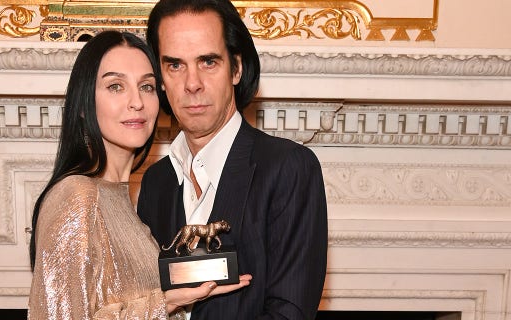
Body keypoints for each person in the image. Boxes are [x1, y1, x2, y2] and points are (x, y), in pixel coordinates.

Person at [27, 30, 251, 320]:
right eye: (116, 86)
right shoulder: (78, 198)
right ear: (83, 105)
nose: (137, 102)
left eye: (146, 86)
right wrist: (164, 305)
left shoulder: (119, 200)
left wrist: (171, 302)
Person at [137, 0, 328, 319]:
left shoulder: (289, 168)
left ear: (236, 68)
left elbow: (289, 312)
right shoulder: (156, 181)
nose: (192, 83)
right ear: (159, 78)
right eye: (175, 65)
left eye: (208, 62)